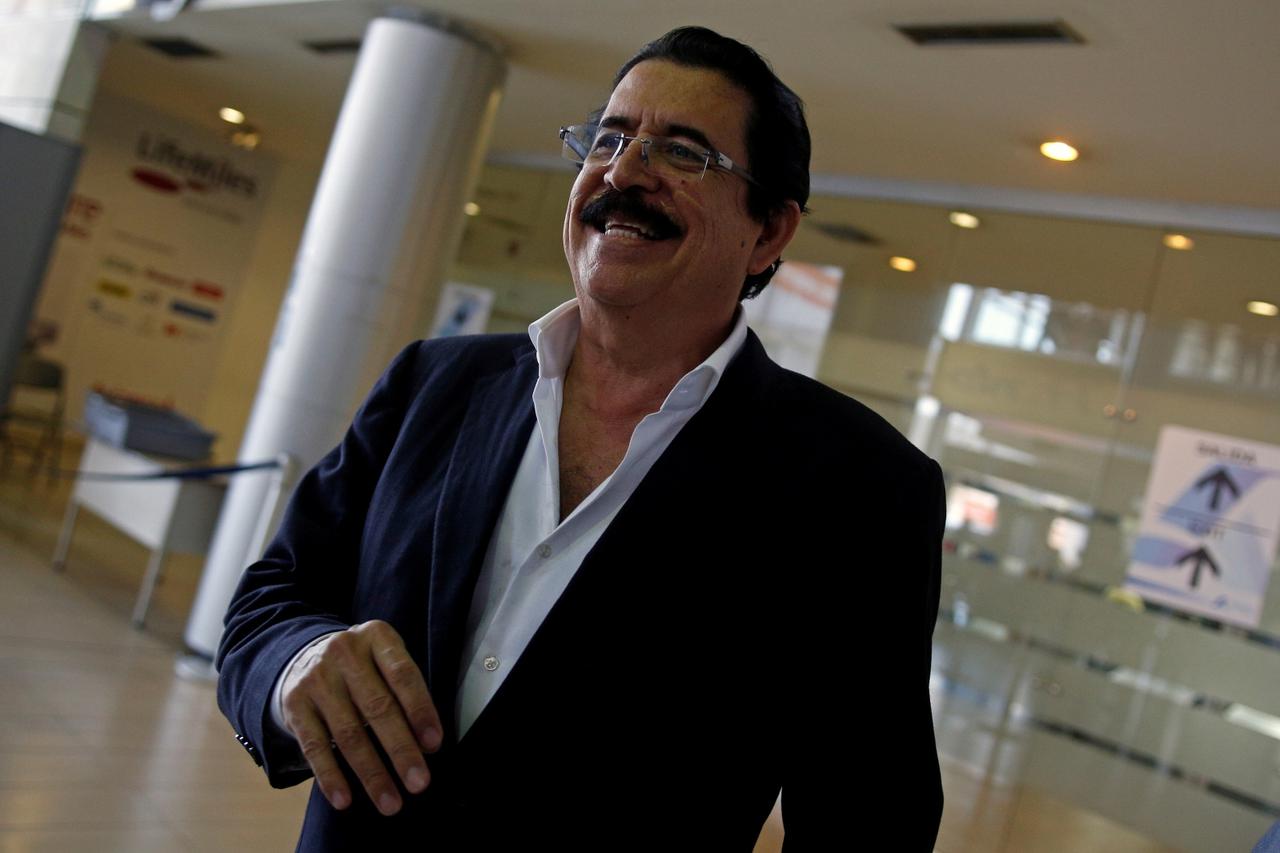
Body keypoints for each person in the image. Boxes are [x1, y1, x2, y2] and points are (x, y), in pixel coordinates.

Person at [217, 26, 945, 851]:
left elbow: (871, 817)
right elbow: (268, 601)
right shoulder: (434, 384)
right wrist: (296, 663)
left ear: (770, 231)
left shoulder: (862, 488)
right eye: (609, 136)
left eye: (683, 154)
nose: (623, 173)